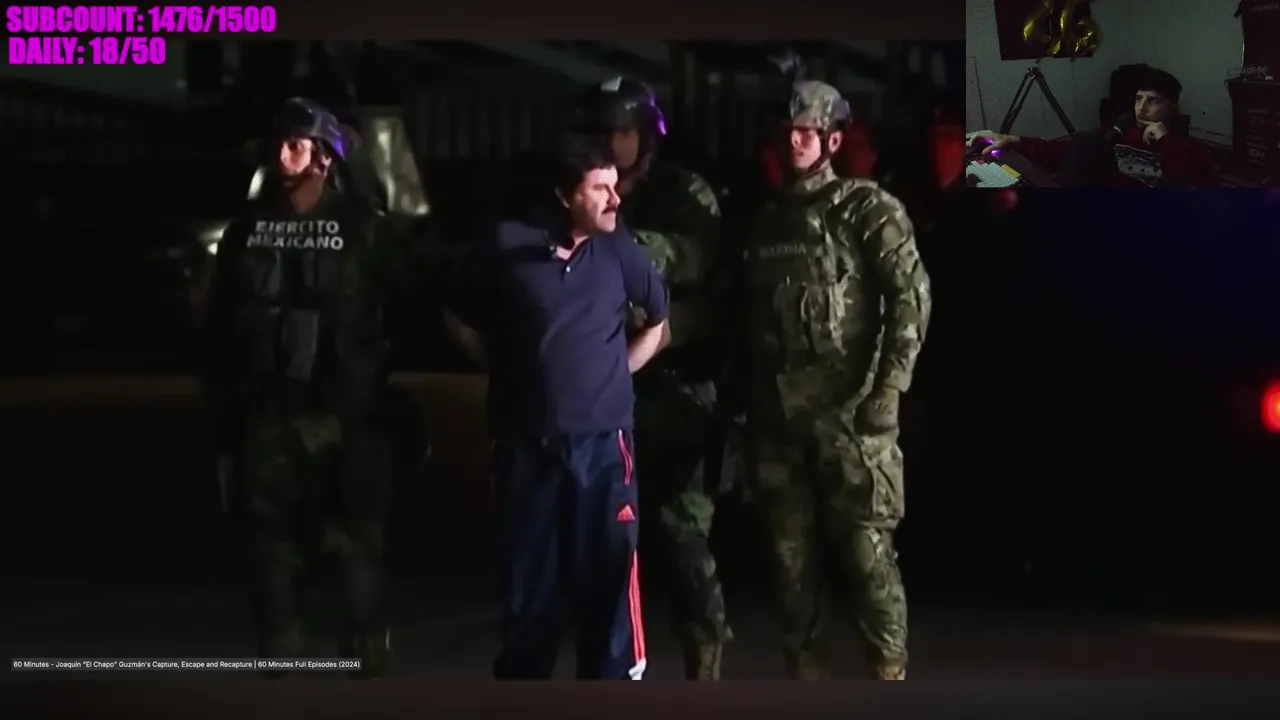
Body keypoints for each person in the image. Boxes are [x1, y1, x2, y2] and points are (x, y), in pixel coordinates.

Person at [443, 132, 671, 681]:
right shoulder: (506, 245)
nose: (615, 200)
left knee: (609, 576)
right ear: (564, 195)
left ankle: (610, 690)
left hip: (605, 447)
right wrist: (503, 365)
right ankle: (526, 689)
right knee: (530, 582)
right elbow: (457, 314)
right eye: (600, 189)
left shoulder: (620, 249)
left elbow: (659, 324)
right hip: (525, 443)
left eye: (615, 187)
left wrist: (615, 372)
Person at [202, 97, 409, 680]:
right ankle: (281, 643)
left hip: (347, 409)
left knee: (356, 533)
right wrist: (222, 402)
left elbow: (404, 306)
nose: (282, 154)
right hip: (268, 407)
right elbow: (222, 322)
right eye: (279, 142)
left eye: (296, 143)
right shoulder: (247, 231)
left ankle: (364, 641)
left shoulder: (365, 227)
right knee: (269, 536)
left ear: (325, 157)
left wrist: (374, 383)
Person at [739, 80, 931, 680]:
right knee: (789, 564)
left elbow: (911, 298)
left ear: (833, 140)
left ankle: (889, 672)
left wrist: (890, 388)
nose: (796, 141)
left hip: (851, 417)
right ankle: (806, 679)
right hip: (779, 422)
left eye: (808, 131)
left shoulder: (867, 208)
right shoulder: (766, 223)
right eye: (789, 132)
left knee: (867, 556)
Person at [572, 76, 733, 680]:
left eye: (621, 131)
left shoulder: (680, 193)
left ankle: (704, 658)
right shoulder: (576, 191)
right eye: (601, 131)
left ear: (645, 136)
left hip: (676, 390)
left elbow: (697, 264)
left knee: (682, 535)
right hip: (602, 391)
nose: (610, 142)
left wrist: (617, 242)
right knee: (602, 537)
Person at [968, 67, 1219, 187]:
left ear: (1173, 108)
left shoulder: (1190, 150)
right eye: (1138, 99)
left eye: (1152, 101)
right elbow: (1067, 152)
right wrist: (1016, 140)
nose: (1141, 108)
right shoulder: (1120, 132)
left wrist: (1166, 142)